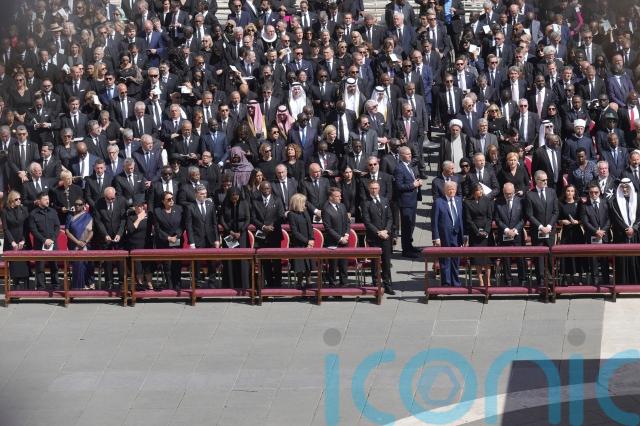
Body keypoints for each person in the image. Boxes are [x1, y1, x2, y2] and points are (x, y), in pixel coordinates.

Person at [525, 170, 559, 285]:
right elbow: (529, 214)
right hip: (537, 231)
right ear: (536, 180)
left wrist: (549, 226)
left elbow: (556, 211)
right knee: (539, 256)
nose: (545, 182)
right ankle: (541, 280)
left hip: (550, 230)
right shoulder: (530, 194)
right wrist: (540, 227)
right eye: (543, 180)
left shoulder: (552, 192)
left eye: (546, 180)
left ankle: (551, 279)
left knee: (550, 254)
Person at [361, 180, 394, 295]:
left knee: (386, 261)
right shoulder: (365, 203)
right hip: (374, 237)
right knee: (375, 262)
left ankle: (387, 284)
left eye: (376, 188)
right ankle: (376, 284)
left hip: (386, 236)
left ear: (379, 189)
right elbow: (367, 221)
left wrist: (386, 230)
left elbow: (390, 217)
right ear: (369, 189)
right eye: (372, 188)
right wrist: (378, 232)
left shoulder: (384, 200)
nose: (374, 190)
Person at [185, 184, 220, 286]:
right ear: (196, 194)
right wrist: (191, 242)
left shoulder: (210, 205)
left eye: (205, 193)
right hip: (197, 238)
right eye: (201, 194)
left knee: (212, 262)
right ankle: (197, 282)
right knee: (197, 262)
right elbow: (189, 226)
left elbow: (214, 223)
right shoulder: (190, 207)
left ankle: (212, 281)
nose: (204, 196)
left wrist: (217, 239)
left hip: (210, 238)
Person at [251, 181, 284, 287]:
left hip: (275, 233)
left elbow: (281, 215)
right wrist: (263, 227)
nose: (266, 191)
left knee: (276, 261)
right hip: (261, 234)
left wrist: (272, 225)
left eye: (268, 188)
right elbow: (253, 218)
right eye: (264, 189)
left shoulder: (277, 199)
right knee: (265, 261)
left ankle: (278, 284)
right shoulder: (255, 201)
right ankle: (269, 283)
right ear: (260, 189)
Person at [432, 181, 464, 287]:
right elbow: (434, 221)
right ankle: (446, 283)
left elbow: (461, 219)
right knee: (445, 259)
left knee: (456, 259)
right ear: (445, 190)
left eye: (453, 189)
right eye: (449, 189)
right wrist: (436, 237)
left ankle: (455, 282)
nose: (451, 191)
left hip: (457, 235)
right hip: (444, 236)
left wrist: (464, 236)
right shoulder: (439, 202)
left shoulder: (459, 200)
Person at [93, 187, 127, 289]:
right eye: (109, 199)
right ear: (104, 197)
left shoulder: (121, 201)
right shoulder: (98, 203)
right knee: (108, 260)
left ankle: (122, 282)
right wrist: (105, 234)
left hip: (119, 236)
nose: (111, 200)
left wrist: (119, 234)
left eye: (113, 198)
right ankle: (109, 282)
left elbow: (123, 220)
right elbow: (98, 221)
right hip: (105, 236)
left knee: (121, 260)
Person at [608, 178, 640, 284]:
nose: (625, 189)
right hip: (621, 235)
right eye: (622, 187)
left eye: (627, 187)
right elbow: (616, 218)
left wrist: (634, 228)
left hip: (636, 235)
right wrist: (626, 228)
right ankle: (622, 283)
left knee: (635, 259)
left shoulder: (638, 199)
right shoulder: (614, 202)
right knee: (622, 260)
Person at [494, 183, 526, 286]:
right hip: (504, 233)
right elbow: (497, 219)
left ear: (514, 191)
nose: (509, 195)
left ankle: (522, 279)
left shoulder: (520, 201)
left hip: (517, 234)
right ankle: (508, 280)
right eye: (506, 193)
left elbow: (523, 218)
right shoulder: (498, 202)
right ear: (503, 192)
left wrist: (515, 230)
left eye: (511, 193)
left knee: (520, 257)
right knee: (506, 258)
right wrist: (507, 230)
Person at [220, 187, 251, 289]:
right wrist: (230, 231)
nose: (234, 198)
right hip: (229, 234)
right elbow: (222, 219)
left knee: (242, 260)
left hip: (242, 235)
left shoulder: (244, 203)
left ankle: (244, 285)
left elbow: (248, 219)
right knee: (230, 259)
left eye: (236, 196)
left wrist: (240, 231)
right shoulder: (225, 204)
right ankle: (230, 285)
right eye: (232, 197)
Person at [394, 146, 422, 257]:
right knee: (406, 226)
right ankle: (406, 250)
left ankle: (409, 246)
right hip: (405, 202)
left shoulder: (409, 166)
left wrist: (417, 182)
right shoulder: (399, 168)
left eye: (410, 153)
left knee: (411, 225)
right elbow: (399, 186)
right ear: (401, 156)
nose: (410, 155)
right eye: (407, 154)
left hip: (412, 200)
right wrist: (413, 185)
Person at [580, 183, 611, 285]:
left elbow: (609, 219)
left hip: (604, 235)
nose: (593, 194)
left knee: (604, 259)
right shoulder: (584, 205)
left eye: (596, 192)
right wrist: (596, 231)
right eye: (591, 192)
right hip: (592, 236)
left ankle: (606, 279)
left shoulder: (605, 203)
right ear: (588, 193)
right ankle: (595, 280)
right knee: (593, 260)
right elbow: (585, 222)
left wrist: (603, 231)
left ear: (600, 192)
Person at [463, 183, 494, 286]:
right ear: (474, 191)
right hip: (475, 233)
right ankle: (480, 280)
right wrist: (477, 231)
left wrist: (486, 231)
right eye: (478, 190)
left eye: (481, 190)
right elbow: (468, 219)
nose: (480, 192)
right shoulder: (467, 202)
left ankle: (488, 280)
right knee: (477, 259)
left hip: (486, 233)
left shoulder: (487, 200)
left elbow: (490, 217)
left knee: (487, 259)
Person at [28, 192, 60, 290]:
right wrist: (44, 240)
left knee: (54, 265)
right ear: (39, 201)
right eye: (45, 199)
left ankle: (56, 285)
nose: (47, 201)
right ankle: (41, 286)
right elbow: (33, 230)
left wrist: (52, 239)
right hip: (40, 244)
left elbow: (57, 227)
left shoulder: (53, 212)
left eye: (48, 199)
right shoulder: (33, 214)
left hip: (52, 243)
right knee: (40, 267)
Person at [153, 191, 184, 289]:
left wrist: (176, 236)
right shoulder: (157, 211)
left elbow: (182, 225)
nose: (171, 200)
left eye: (172, 198)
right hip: (164, 242)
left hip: (177, 241)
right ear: (163, 201)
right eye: (169, 199)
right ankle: (169, 285)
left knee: (177, 264)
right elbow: (157, 229)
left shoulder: (179, 209)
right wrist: (168, 237)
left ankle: (177, 284)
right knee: (167, 265)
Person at [322, 187, 350, 286]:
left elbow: (347, 222)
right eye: (337, 196)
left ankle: (344, 282)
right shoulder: (326, 209)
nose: (340, 198)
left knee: (344, 263)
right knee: (333, 264)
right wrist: (340, 238)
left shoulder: (342, 206)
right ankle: (332, 283)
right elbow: (328, 228)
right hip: (333, 241)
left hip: (344, 240)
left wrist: (346, 234)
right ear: (331, 197)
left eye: (340, 196)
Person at [2, 191, 30, 288]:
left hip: (22, 240)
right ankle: (15, 286)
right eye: (16, 199)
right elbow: (5, 228)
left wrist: (23, 240)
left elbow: (26, 227)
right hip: (11, 241)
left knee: (24, 265)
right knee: (14, 266)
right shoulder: (5, 211)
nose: (19, 200)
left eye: (20, 198)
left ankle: (26, 287)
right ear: (11, 200)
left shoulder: (23, 209)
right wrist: (12, 242)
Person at [557, 185, 585, 285]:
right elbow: (557, 218)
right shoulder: (560, 203)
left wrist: (577, 222)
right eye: (568, 191)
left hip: (577, 232)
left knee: (578, 254)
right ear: (565, 192)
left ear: (574, 192)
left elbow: (583, 218)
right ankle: (565, 277)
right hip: (566, 233)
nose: (570, 193)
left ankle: (579, 277)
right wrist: (562, 221)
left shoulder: (579, 202)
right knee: (566, 254)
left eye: (572, 191)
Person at [125, 195, 153, 290]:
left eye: (141, 205)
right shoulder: (131, 217)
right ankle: (140, 284)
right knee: (138, 265)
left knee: (148, 265)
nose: (140, 208)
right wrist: (139, 218)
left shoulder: (149, 216)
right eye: (137, 206)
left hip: (146, 243)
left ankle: (149, 283)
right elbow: (130, 229)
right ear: (134, 207)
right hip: (135, 244)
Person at [65, 197, 94, 290]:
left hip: (85, 245)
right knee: (77, 264)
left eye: (80, 204)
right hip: (73, 245)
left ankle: (87, 283)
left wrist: (85, 241)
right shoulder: (70, 216)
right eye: (76, 204)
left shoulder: (88, 216)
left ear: (84, 205)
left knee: (86, 264)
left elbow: (91, 231)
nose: (77, 206)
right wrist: (77, 242)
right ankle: (77, 286)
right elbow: (67, 231)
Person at [287, 193, 315, 288]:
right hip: (298, 243)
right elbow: (295, 232)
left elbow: (310, 227)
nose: (305, 204)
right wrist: (307, 241)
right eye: (303, 202)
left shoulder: (305, 212)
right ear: (298, 203)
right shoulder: (291, 214)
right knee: (300, 265)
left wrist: (311, 240)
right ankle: (299, 282)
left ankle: (308, 281)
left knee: (308, 264)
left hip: (309, 242)